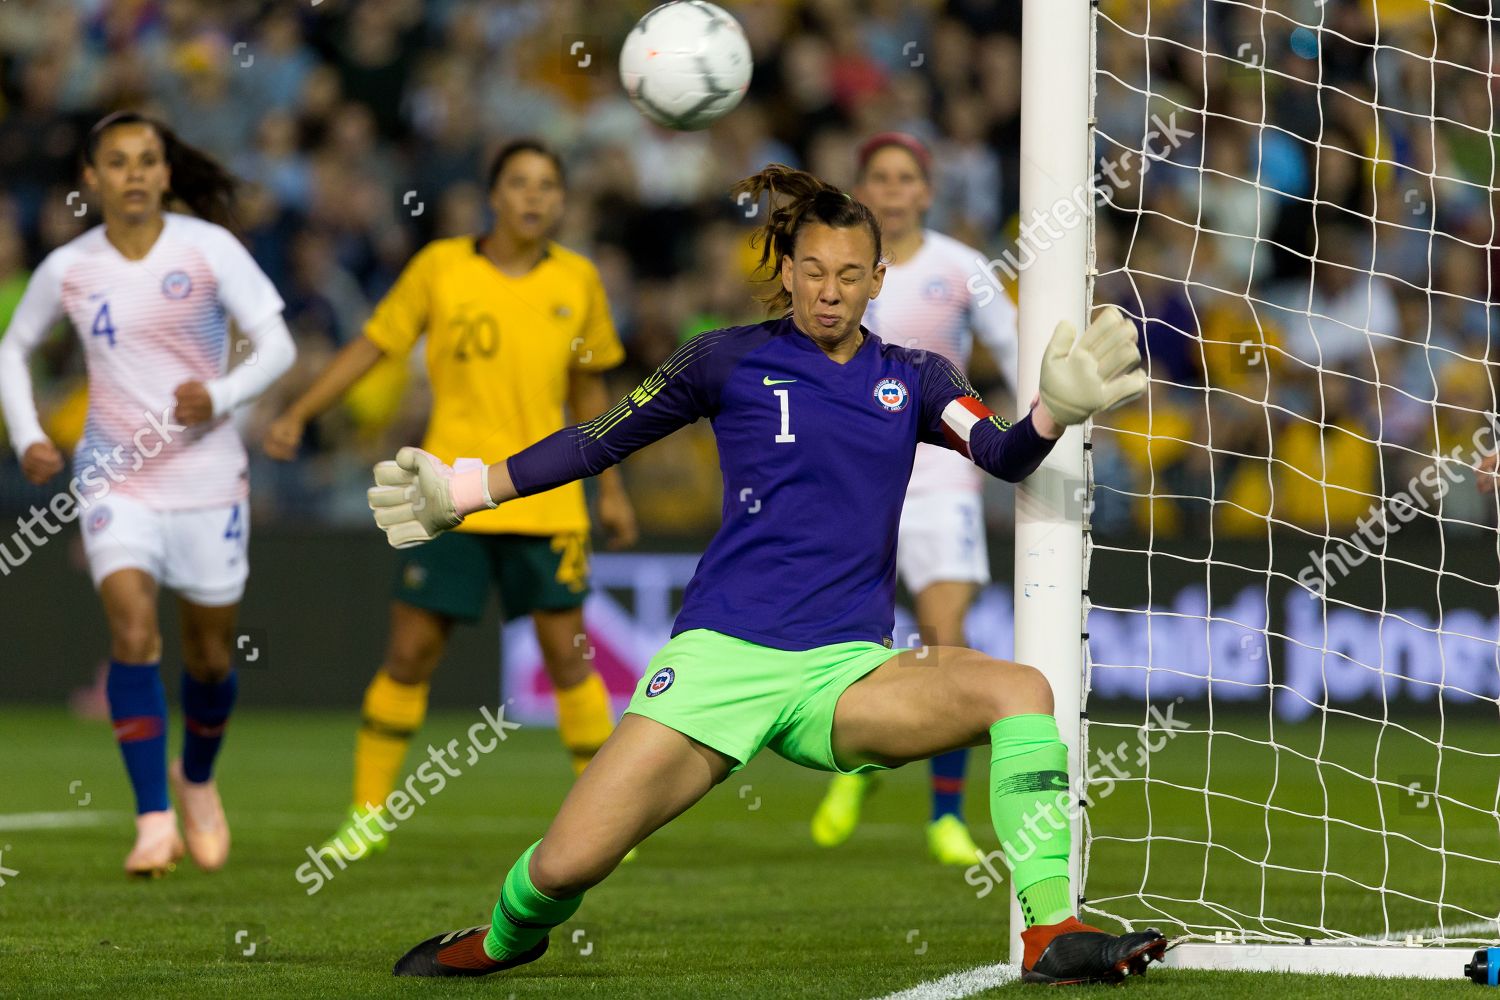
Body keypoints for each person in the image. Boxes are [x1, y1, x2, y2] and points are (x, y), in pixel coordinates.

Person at [369, 165, 1161, 984]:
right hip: (720, 664)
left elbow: (1000, 453)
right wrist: (465, 491)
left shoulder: (917, 378)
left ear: (878, 280)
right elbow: (598, 438)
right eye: (813, 271)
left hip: (846, 673)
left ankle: (1050, 933)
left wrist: (1052, 414)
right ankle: (502, 940)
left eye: (850, 275)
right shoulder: (723, 360)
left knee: (1022, 690)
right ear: (786, 272)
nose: (829, 291)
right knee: (565, 867)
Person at [263, 139, 637, 861]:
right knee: (409, 652)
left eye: (548, 186)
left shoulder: (580, 280)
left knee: (569, 660)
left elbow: (591, 393)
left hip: (549, 498)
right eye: (520, 183)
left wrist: (612, 489)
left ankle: (607, 823)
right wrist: (299, 411)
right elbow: (374, 344)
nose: (535, 197)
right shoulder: (441, 266)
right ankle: (367, 814)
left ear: (562, 201)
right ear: (493, 195)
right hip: (448, 496)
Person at [0, 111, 296, 876]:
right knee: (133, 635)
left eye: (148, 160)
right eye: (117, 162)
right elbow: (14, 348)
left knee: (208, 657)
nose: (134, 173)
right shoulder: (69, 267)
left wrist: (224, 393)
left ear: (167, 174)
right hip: (113, 477)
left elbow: (278, 341)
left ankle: (195, 779)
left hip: (206, 480)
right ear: (91, 179)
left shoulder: (208, 249)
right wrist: (29, 433)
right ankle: (152, 820)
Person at [810, 131, 1021, 866]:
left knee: (945, 639)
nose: (894, 191)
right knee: (850, 644)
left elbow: (1017, 348)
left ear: (927, 192)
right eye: (880, 178)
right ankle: (862, 766)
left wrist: (1036, 428)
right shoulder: (840, 273)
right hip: (855, 476)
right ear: (862, 188)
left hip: (941, 475)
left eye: (906, 179)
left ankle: (944, 816)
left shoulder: (962, 268)